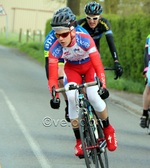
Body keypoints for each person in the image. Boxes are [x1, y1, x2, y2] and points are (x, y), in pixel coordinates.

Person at [48, 10, 117, 157]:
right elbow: (53, 76)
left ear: (72, 30)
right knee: (72, 98)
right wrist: (55, 96)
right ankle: (79, 140)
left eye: (64, 34)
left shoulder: (85, 39)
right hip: (72, 69)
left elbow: (98, 65)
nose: (60, 39)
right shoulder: (55, 48)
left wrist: (102, 86)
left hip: (89, 66)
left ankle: (108, 129)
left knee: (93, 95)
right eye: (57, 35)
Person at [44, 7, 88, 122]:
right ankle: (68, 102)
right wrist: (54, 94)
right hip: (62, 56)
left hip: (79, 55)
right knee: (60, 76)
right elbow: (48, 66)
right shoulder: (50, 39)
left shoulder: (81, 32)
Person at [77, 1, 123, 78]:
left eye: (95, 18)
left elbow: (110, 42)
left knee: (96, 72)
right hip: (81, 49)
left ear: (100, 17)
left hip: (95, 48)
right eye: (88, 18)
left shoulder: (104, 23)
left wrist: (116, 61)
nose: (91, 21)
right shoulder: (80, 24)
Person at [140, 34, 150, 128]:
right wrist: (146, 68)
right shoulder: (149, 37)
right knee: (148, 87)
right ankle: (144, 114)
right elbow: (147, 54)